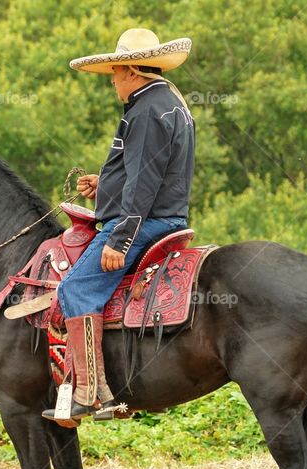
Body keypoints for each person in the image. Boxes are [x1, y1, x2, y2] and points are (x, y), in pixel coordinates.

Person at [43, 28, 196, 423]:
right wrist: (104, 184)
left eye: (114, 71)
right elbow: (150, 172)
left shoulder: (145, 111)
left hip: (145, 223)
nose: (111, 80)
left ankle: (93, 393)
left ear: (130, 70)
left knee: (75, 287)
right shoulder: (169, 103)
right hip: (165, 215)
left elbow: (145, 181)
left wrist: (121, 238)